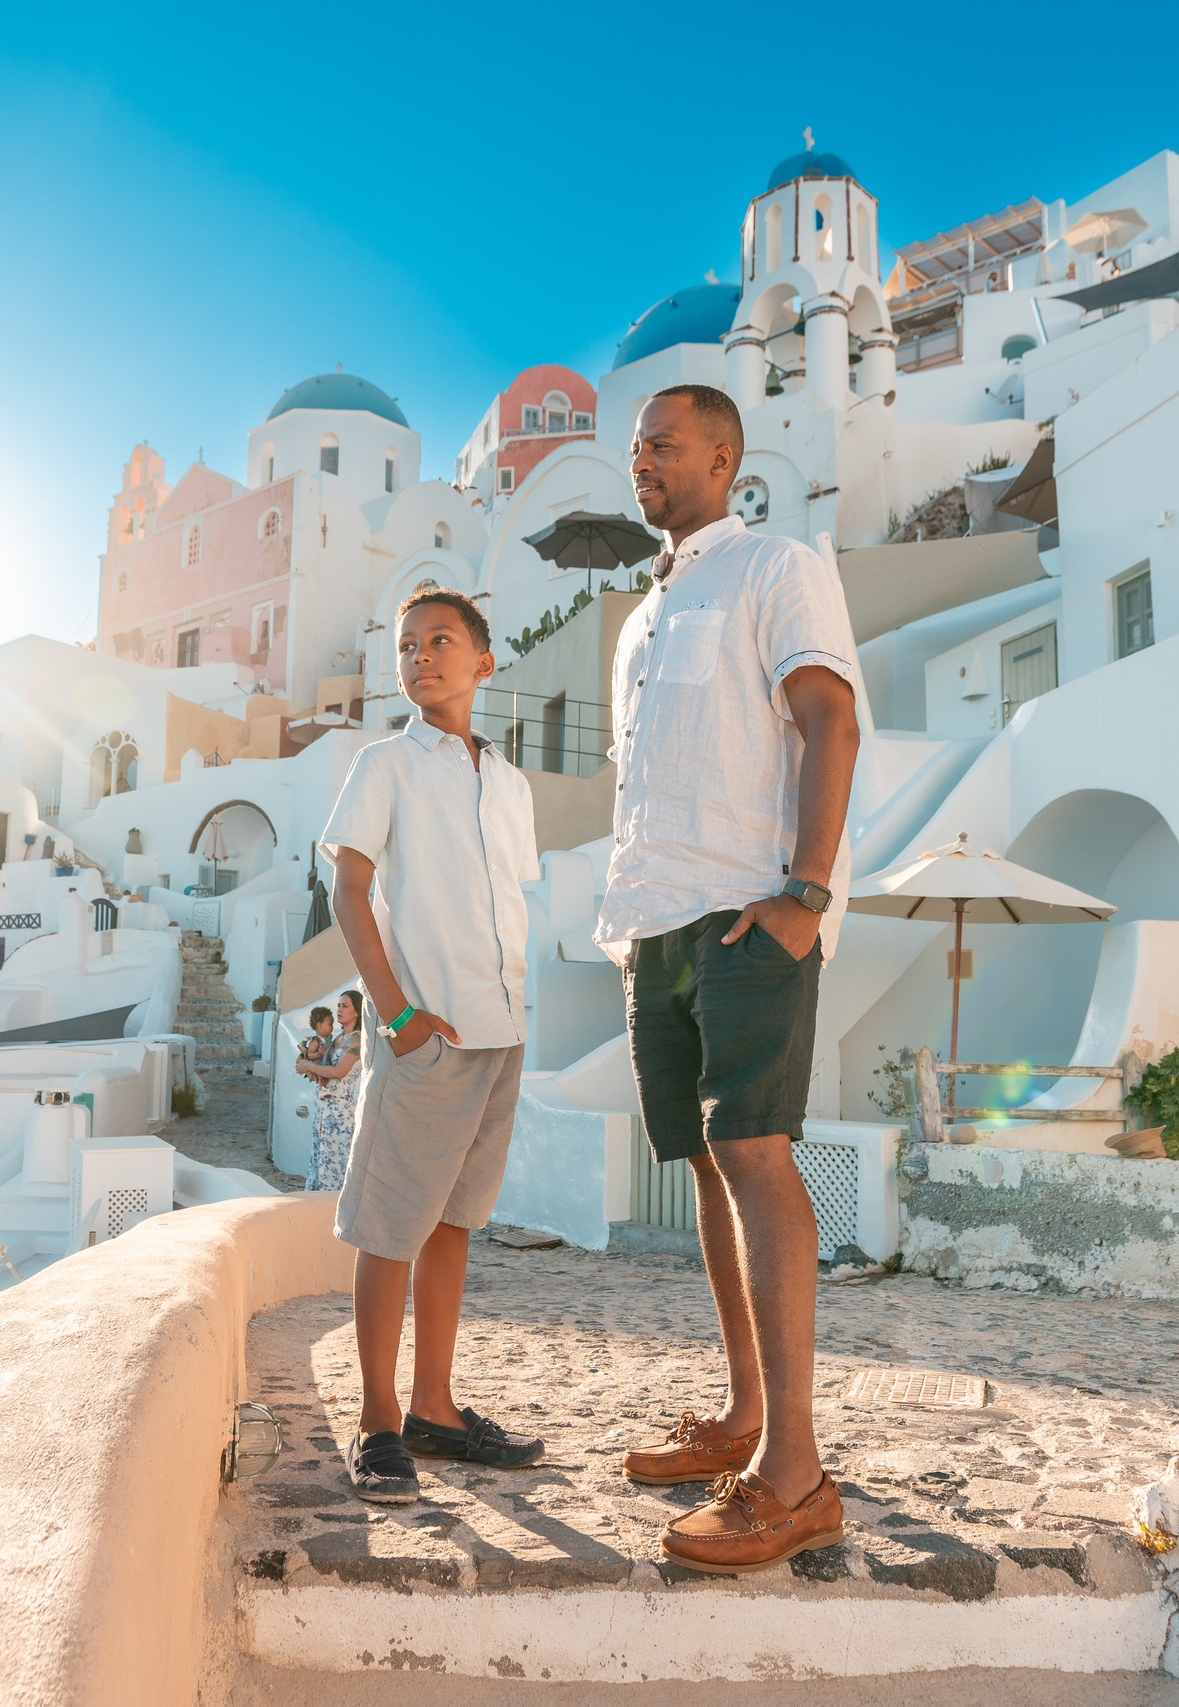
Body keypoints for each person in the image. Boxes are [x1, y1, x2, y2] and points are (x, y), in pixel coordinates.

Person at [599, 382, 865, 1574]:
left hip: (746, 915)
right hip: (653, 924)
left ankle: (796, 1479)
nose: (641, 460)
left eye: (662, 443)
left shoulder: (774, 566)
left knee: (754, 1153)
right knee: (706, 1165)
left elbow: (830, 719)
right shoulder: (641, 617)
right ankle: (746, 1421)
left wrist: (804, 894)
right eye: (635, 447)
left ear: (723, 458)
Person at [319, 587, 545, 1503]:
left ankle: (436, 1409)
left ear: (484, 662)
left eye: (442, 641)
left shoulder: (512, 780)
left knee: (453, 1224)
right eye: (408, 646)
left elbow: (503, 899)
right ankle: (378, 1423)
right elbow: (350, 891)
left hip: (500, 1035)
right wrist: (398, 1016)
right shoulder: (385, 765)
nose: (421, 657)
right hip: (427, 1039)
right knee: (391, 1229)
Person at [298, 991, 364, 1192]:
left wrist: (310, 1067)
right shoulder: (336, 1039)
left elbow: (339, 1071)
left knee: (336, 1162)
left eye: (345, 1006)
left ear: (357, 1012)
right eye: (338, 1005)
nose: (339, 1010)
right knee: (322, 1159)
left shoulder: (355, 1040)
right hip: (324, 1110)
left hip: (340, 1112)